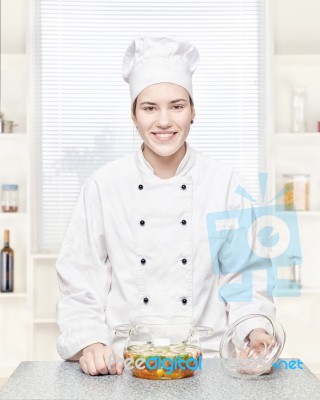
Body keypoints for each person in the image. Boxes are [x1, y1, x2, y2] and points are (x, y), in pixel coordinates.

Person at [56, 36, 276, 376]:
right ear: (133, 114)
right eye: (149, 108)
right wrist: (90, 342)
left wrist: (255, 331)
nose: (163, 121)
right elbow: (80, 279)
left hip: (207, 366)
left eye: (176, 106)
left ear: (193, 111)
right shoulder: (103, 185)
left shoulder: (225, 184)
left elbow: (245, 278)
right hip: (125, 365)